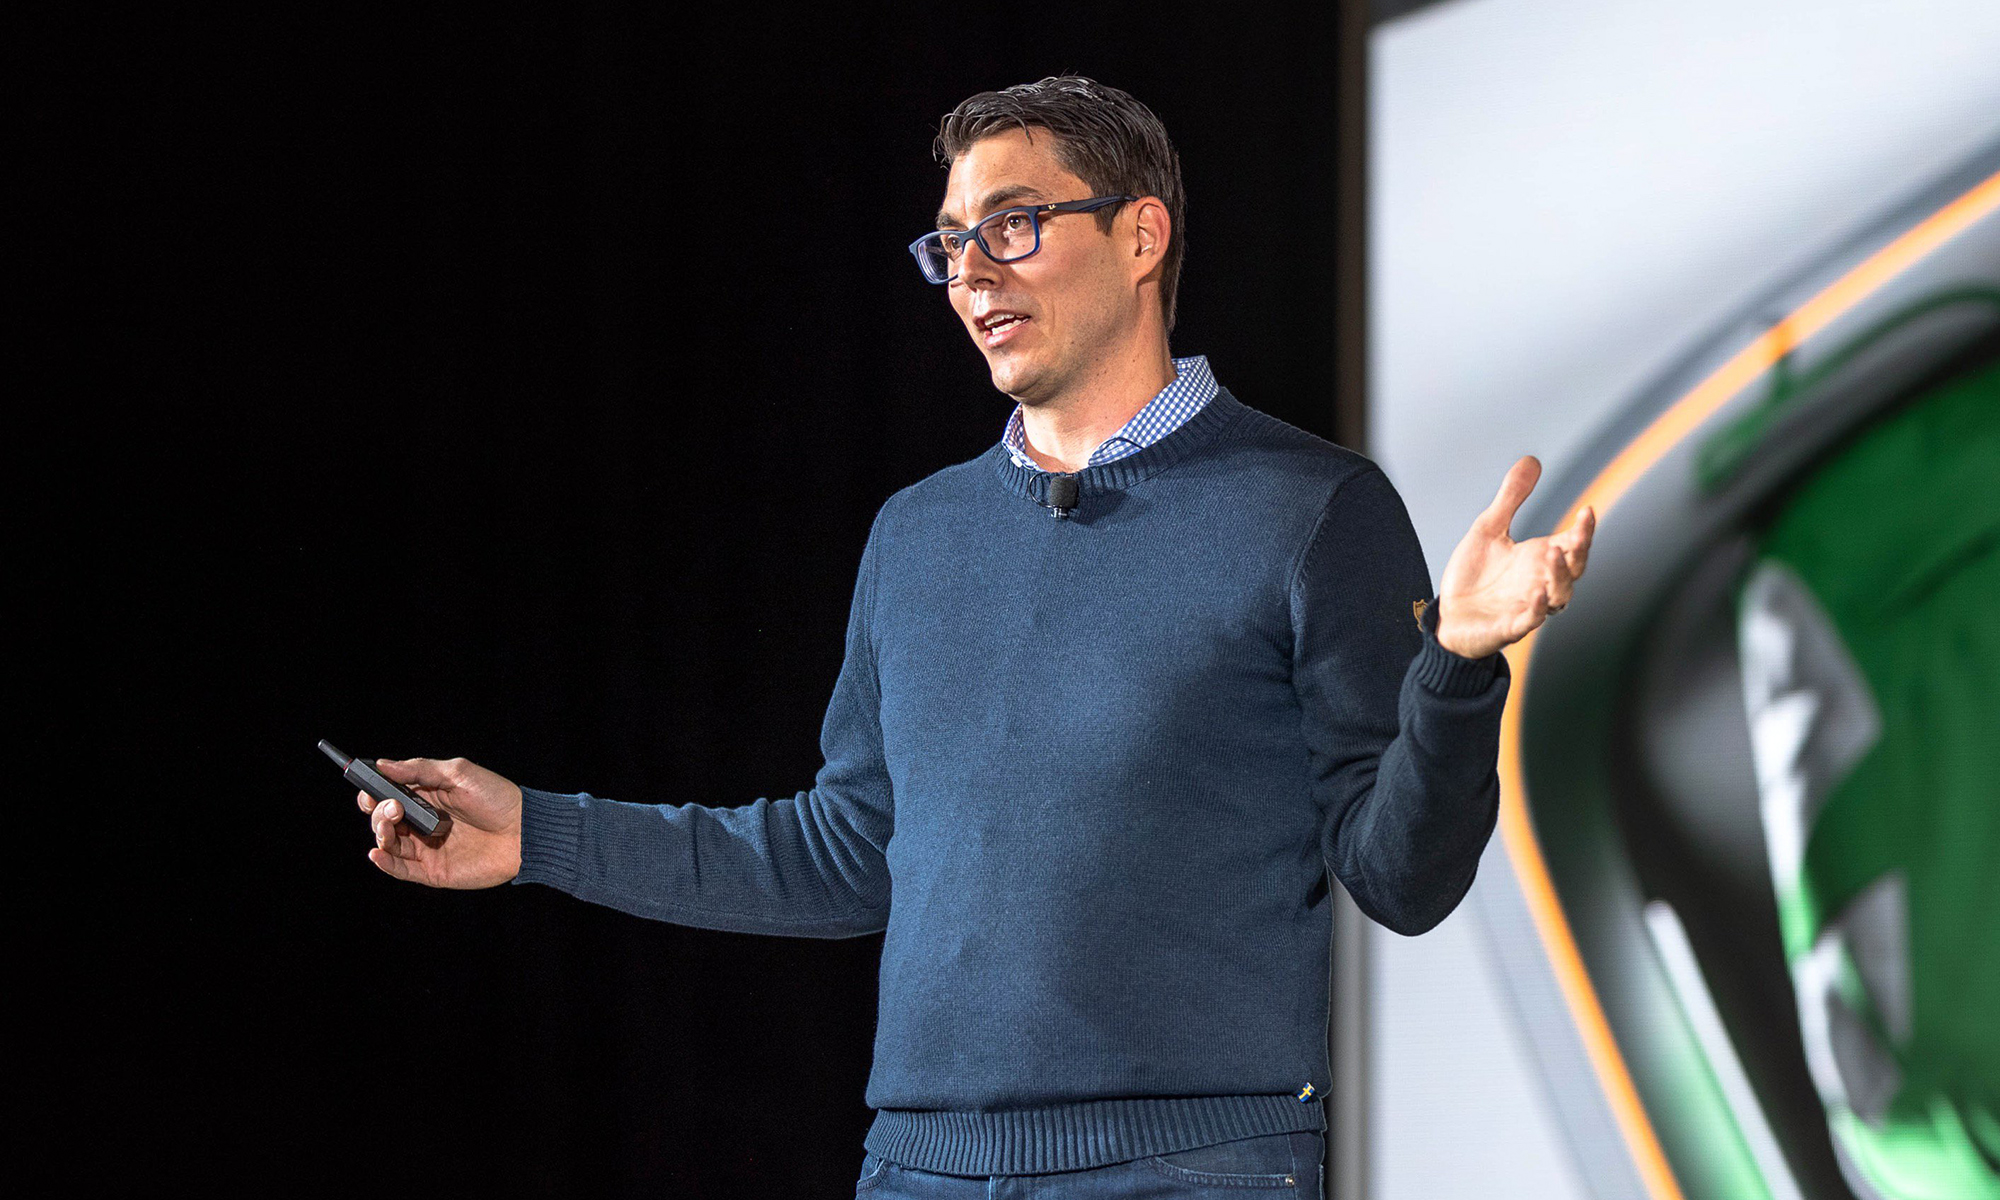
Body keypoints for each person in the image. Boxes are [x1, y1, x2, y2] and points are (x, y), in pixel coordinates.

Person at [357, 75, 1595, 1198]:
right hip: (916, 1169)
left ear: (1140, 233)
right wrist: (538, 838)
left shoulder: (1309, 509)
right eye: (951, 245)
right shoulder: (917, 534)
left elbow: (1401, 877)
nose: (972, 275)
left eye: (1011, 226)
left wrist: (1458, 664)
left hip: (1188, 1168)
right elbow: (847, 852)